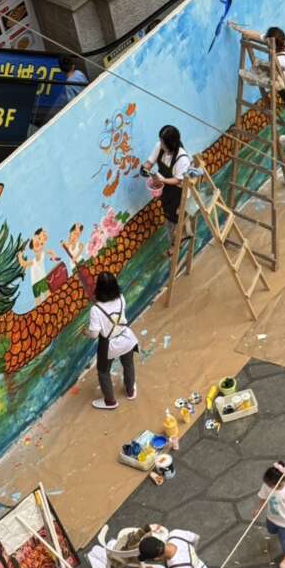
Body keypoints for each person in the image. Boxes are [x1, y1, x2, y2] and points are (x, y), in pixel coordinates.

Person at [228, 21, 285, 154]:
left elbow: (284, 79)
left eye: (268, 39)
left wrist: (264, 79)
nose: (265, 40)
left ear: (273, 43)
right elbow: (258, 36)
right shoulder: (282, 44)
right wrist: (241, 30)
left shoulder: (280, 60)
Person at [85, 271, 138, 410]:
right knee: (128, 364)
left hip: (108, 344)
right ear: (115, 285)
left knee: (103, 371)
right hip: (126, 338)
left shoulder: (95, 310)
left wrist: (86, 332)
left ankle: (110, 402)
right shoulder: (121, 298)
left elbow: (94, 334)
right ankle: (130, 391)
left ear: (98, 288)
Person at [141, 125, 191, 254]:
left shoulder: (182, 159)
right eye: (161, 141)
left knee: (177, 218)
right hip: (167, 191)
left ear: (171, 144)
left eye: (163, 142)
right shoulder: (160, 147)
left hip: (178, 192)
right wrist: (145, 169)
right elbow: (149, 163)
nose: (161, 144)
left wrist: (162, 180)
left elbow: (178, 180)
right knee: (169, 218)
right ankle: (179, 239)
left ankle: (177, 244)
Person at [253, 462, 285, 568]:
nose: (267, 486)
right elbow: (263, 497)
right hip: (271, 517)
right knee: (271, 530)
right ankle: (281, 535)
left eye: (269, 485)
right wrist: (258, 508)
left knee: (284, 541)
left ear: (279, 482)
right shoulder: (267, 485)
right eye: (267, 484)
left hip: (284, 522)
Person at [17, 228, 60, 306]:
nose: (37, 243)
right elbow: (23, 264)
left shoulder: (42, 253)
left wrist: (53, 257)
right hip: (34, 284)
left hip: (42, 280)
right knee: (38, 302)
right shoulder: (32, 262)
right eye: (35, 243)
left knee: (48, 297)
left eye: (40, 242)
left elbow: (50, 251)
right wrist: (19, 256)